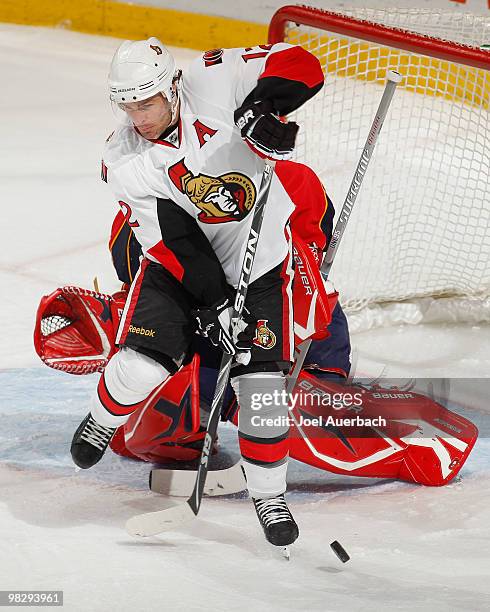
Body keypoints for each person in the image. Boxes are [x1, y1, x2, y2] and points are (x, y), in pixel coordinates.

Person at [70, 37, 325, 548]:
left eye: (145, 103)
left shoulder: (215, 78)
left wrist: (262, 107)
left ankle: (269, 495)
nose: (137, 118)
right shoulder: (123, 161)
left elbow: (300, 63)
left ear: (170, 87)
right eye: (127, 105)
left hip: (261, 264)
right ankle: (102, 418)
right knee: (142, 367)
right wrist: (213, 304)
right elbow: (171, 240)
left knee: (263, 393)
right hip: (179, 267)